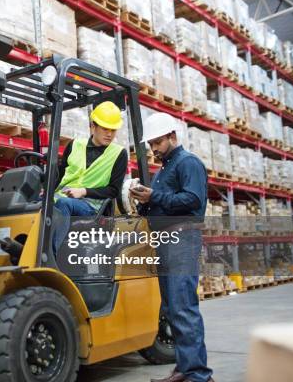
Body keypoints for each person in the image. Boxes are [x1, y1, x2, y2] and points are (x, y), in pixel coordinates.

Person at [130, 112, 214, 382]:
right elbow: (164, 201)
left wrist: (155, 195)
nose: (153, 148)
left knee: (183, 307)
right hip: (166, 241)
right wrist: (144, 202)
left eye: (157, 142)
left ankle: (198, 375)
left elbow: (192, 199)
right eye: (151, 144)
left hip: (181, 239)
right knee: (170, 308)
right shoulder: (164, 169)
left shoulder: (188, 163)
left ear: (172, 137)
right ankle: (184, 367)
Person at [53, 101, 128, 218]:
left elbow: (114, 190)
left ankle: (53, 237)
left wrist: (84, 191)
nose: (109, 134)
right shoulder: (74, 144)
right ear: (93, 127)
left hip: (91, 206)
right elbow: (60, 173)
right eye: (105, 129)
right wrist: (45, 190)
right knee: (33, 203)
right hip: (62, 197)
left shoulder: (119, 153)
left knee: (63, 203)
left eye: (113, 130)